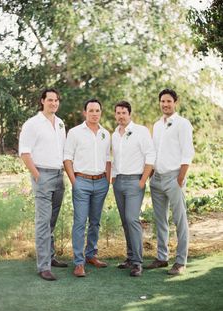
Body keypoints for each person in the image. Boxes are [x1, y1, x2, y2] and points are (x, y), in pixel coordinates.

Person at [19, 88, 68, 281]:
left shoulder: (61, 123)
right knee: (43, 221)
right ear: (42, 101)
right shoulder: (32, 124)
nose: (54, 103)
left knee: (51, 220)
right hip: (42, 175)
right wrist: (37, 175)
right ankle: (43, 266)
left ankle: (51, 256)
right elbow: (24, 152)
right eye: (50, 100)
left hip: (58, 176)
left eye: (56, 100)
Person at [147, 88, 195, 275]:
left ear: (175, 102)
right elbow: (154, 152)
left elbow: (187, 153)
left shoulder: (182, 124)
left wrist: (180, 178)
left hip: (174, 177)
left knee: (180, 220)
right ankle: (162, 257)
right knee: (160, 220)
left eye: (168, 101)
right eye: (162, 101)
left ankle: (181, 261)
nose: (165, 104)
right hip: (157, 178)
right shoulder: (157, 125)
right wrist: (151, 173)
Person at [64, 99, 111, 277]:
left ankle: (91, 255)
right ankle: (78, 262)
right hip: (81, 181)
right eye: (91, 110)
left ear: (101, 112)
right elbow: (67, 158)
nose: (94, 113)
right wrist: (74, 181)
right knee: (79, 222)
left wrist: (107, 181)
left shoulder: (106, 134)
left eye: (97, 110)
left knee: (95, 222)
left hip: (101, 183)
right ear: (85, 112)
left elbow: (108, 159)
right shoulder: (75, 132)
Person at [112, 101, 156, 277]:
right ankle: (129, 258)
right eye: (118, 113)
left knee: (132, 219)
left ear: (129, 114)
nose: (121, 116)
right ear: (115, 115)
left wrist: (142, 181)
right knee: (125, 221)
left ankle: (138, 263)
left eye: (124, 112)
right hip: (119, 182)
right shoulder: (114, 134)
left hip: (134, 182)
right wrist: (114, 179)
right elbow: (114, 159)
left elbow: (150, 156)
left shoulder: (141, 131)